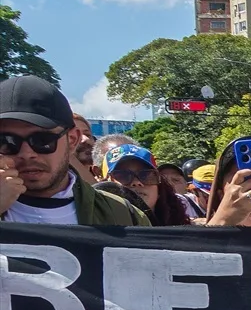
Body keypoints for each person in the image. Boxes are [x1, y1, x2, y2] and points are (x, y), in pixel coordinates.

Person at [0, 76, 146, 227]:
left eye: (42, 140)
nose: (26, 153)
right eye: (7, 142)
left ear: (72, 140)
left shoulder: (123, 214)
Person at [103, 140, 192, 226]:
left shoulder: (185, 233)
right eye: (123, 175)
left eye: (146, 175)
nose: (137, 182)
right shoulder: (93, 230)